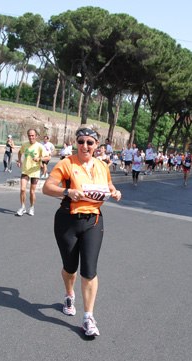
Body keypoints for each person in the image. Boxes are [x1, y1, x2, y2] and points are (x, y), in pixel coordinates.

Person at [42, 125, 121, 337]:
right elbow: (47, 187)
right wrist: (67, 191)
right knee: (70, 268)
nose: (85, 146)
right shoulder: (67, 163)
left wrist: (115, 192)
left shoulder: (102, 166)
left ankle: (88, 317)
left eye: (90, 142)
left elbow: (109, 185)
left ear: (97, 145)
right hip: (67, 221)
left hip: (93, 221)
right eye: (81, 141)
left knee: (89, 270)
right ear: (76, 143)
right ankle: (69, 294)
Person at [16, 128, 50, 216]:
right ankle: (22, 207)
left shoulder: (40, 146)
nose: (31, 137)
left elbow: (48, 157)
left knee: (32, 192)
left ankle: (31, 207)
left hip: (35, 171)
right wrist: (19, 160)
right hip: (26, 170)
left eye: (32, 136)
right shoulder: (25, 145)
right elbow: (20, 152)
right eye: (29, 136)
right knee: (23, 189)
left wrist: (39, 159)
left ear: (36, 136)